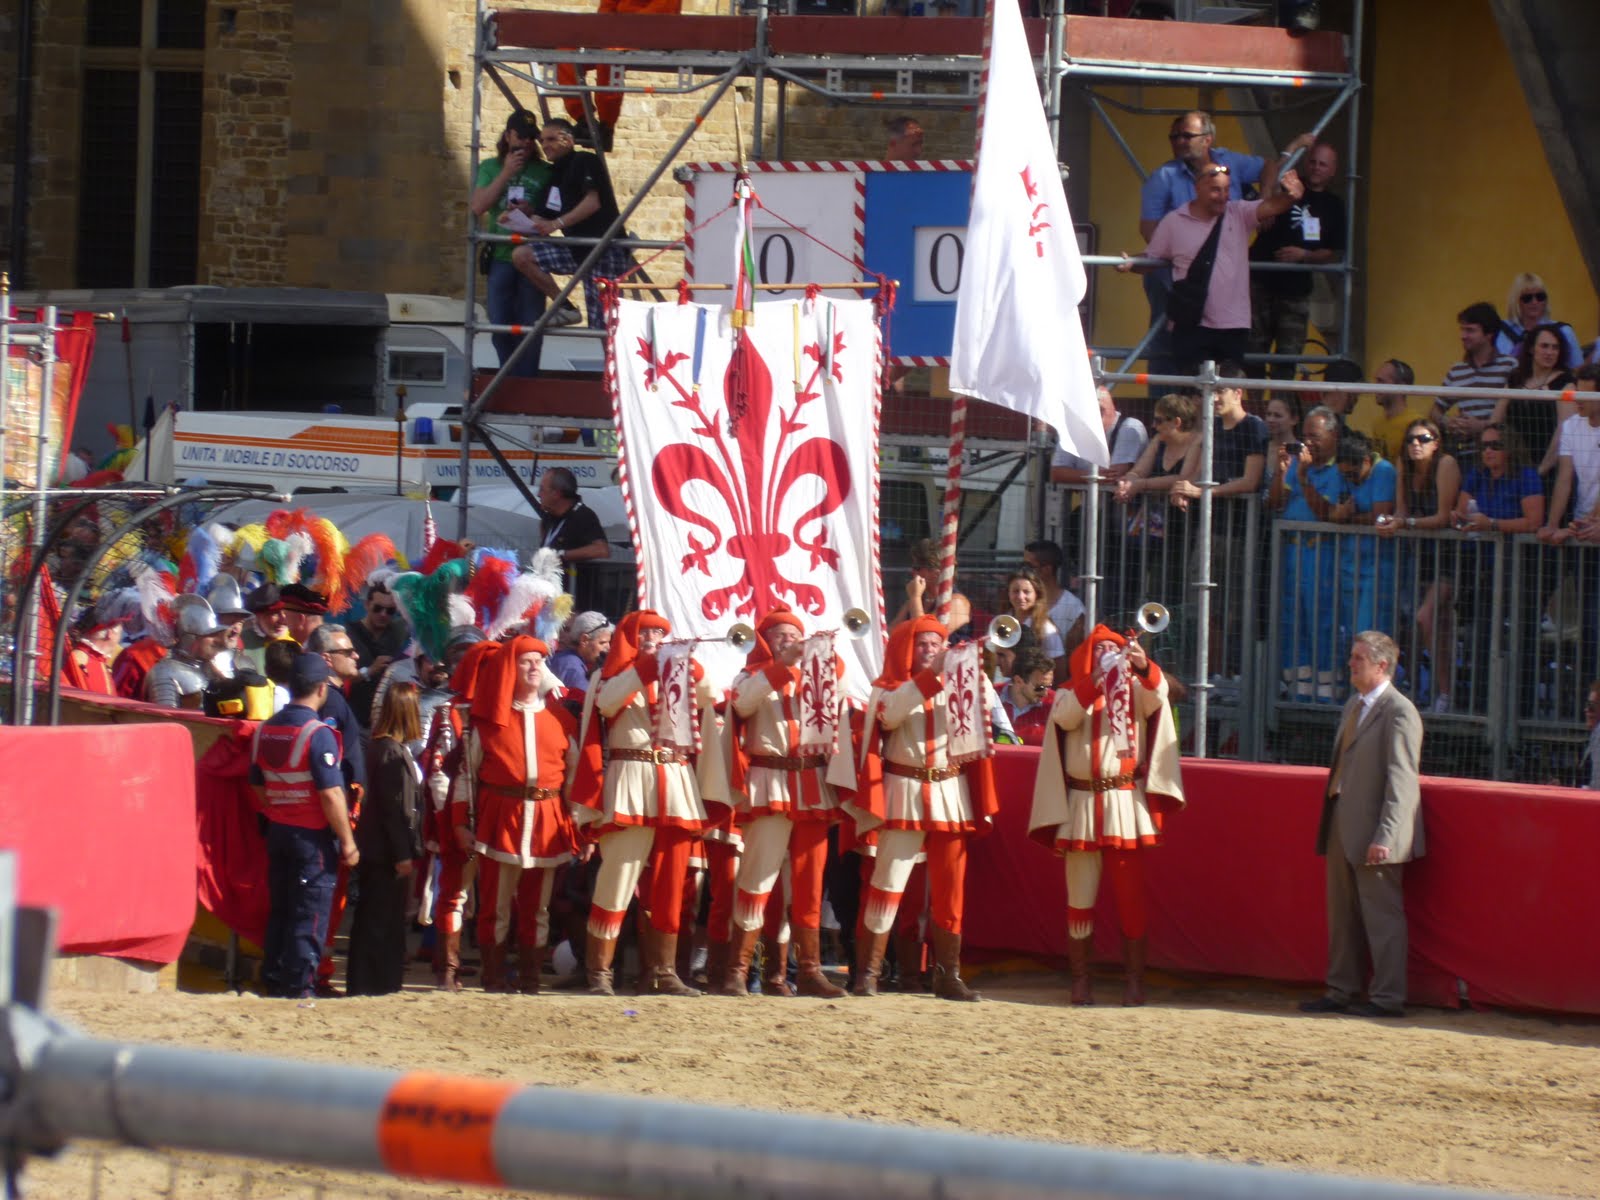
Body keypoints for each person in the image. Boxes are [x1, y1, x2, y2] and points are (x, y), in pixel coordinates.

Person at [847, 616, 999, 1001]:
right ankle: (868, 972)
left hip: (950, 792)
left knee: (951, 890)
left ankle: (948, 975)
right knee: (889, 881)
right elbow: (891, 713)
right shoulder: (885, 689)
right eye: (922, 644)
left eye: (936, 644)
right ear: (905, 648)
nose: (930, 651)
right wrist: (932, 675)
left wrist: (968, 672)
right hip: (905, 791)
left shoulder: (962, 684)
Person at [1029, 624, 1182, 1005]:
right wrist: (1095, 681)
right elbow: (1063, 718)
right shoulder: (1070, 693)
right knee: (1079, 898)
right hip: (1082, 804)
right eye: (1101, 651)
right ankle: (1080, 981)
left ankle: (1135, 982)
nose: (1109, 656)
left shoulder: (1135, 691)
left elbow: (1161, 695)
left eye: (1114, 650)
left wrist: (1144, 665)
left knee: (1131, 898)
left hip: (1123, 803)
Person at [570, 610, 720, 997]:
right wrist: (649, 665)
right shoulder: (611, 677)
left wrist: (691, 667)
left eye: (660, 632)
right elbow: (606, 703)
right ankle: (600, 972)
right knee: (618, 876)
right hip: (631, 777)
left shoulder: (674, 676)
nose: (654, 637)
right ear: (630, 638)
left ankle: (663, 970)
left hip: (674, 779)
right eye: (646, 632)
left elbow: (710, 698)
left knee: (672, 881)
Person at [715, 606, 852, 999]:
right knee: (758, 879)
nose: (788, 641)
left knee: (809, 885)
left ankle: (804, 972)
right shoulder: (751, 675)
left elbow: (842, 698)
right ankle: (738, 971)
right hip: (769, 782)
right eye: (779, 636)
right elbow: (741, 704)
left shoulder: (816, 678)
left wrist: (826, 658)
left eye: (793, 635)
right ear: (766, 641)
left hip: (811, 783)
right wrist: (783, 666)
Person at [1299, 631, 1423, 1019]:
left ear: (1382, 665)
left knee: (1381, 915)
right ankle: (1341, 989)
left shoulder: (1399, 712)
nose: (1350, 664)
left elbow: (1401, 780)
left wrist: (1386, 835)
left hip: (1374, 831)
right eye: (1352, 657)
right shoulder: (1355, 704)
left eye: (1358, 659)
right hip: (1342, 822)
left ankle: (1387, 997)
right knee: (1343, 913)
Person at [461, 636, 579, 994]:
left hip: (547, 819)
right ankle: (493, 976)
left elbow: (574, 777)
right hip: (502, 818)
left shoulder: (561, 719)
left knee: (537, 908)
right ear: (510, 669)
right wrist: (463, 824)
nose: (532, 668)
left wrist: (576, 824)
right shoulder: (488, 721)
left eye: (538, 662)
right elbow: (468, 776)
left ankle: (530, 978)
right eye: (525, 662)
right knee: (495, 907)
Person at [1123, 158, 1306, 373]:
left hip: (1233, 326)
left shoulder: (1239, 213)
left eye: (1227, 190)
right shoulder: (1173, 221)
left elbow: (1274, 205)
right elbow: (1151, 259)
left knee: (1227, 396)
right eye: (1216, 190)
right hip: (1190, 325)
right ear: (1197, 188)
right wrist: (1130, 264)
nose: (1223, 197)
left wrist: (1293, 195)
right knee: (1193, 397)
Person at [250, 653, 359, 1000]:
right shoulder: (318, 733)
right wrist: (348, 842)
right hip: (311, 838)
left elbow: (256, 782)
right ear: (322, 687)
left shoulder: (267, 728)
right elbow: (330, 794)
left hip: (278, 831)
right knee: (309, 914)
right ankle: (300, 987)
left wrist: (278, 806)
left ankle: (274, 977)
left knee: (281, 909)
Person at [510, 119, 632, 331]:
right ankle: (565, 307)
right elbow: (543, 214)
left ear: (568, 140)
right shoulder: (555, 174)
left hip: (603, 251)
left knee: (604, 327)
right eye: (542, 140)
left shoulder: (585, 160)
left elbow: (592, 202)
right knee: (522, 256)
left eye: (551, 139)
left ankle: (613, 364)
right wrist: (521, 216)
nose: (544, 145)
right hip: (576, 249)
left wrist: (555, 223)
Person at [346, 680, 423, 997]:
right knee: (383, 922)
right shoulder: (392, 751)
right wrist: (403, 854)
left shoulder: (377, 747)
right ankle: (377, 984)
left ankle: (365, 982)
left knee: (371, 919)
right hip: (386, 853)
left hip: (375, 849)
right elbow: (397, 810)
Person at [471, 109, 562, 374]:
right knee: (499, 324)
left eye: (530, 138)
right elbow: (478, 206)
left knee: (530, 325)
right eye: (520, 137)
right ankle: (506, 377)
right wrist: (506, 173)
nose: (525, 143)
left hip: (531, 257)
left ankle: (528, 382)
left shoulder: (546, 171)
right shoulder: (490, 167)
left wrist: (530, 209)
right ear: (508, 135)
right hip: (500, 256)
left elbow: (554, 209)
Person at [1270, 405, 1350, 701]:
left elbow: (1326, 513)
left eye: (1314, 436)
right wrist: (1281, 473)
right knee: (1293, 620)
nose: (1308, 443)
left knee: (1324, 619)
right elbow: (1275, 503)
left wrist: (1303, 477)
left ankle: (1329, 690)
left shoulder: (1339, 470)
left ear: (1333, 435)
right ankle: (1299, 688)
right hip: (1292, 554)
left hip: (1323, 554)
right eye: (1304, 436)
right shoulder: (1296, 464)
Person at [1248, 141, 1346, 380]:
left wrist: (1304, 255)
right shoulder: (1287, 185)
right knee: (1251, 356)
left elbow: (1332, 252)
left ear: (1332, 170)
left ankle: (1280, 413)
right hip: (1260, 284)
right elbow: (1269, 170)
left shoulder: (1334, 206)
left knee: (1287, 359)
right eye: (1312, 161)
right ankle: (1251, 412)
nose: (1316, 168)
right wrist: (1266, 202)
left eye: (1323, 164)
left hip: (1295, 292)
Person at [1380, 418, 1459, 711]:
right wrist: (1393, 522)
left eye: (1423, 439)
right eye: (1411, 439)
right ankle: (1424, 690)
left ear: (1436, 443)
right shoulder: (1404, 464)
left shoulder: (1446, 464)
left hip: (1452, 555)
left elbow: (1442, 516)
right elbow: (1401, 509)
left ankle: (1446, 694)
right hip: (1420, 555)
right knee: (1420, 624)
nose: (1416, 444)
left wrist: (1406, 522)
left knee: (1428, 618)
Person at [1537, 366, 1600, 687]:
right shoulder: (1574, 425)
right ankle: (1585, 696)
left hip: (1592, 526)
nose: (1577, 400)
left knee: (1593, 618)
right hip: (1583, 528)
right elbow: (1564, 478)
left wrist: (1595, 522)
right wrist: (1551, 524)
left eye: (1585, 395)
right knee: (1587, 619)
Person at [1430, 302, 1519, 465]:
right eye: (1462, 329)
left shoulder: (1510, 366)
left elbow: (1518, 418)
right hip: (1466, 458)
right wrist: (1448, 423)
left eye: (1470, 330)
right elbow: (1435, 411)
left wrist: (1482, 426)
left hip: (1503, 457)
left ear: (1489, 334)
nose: (1463, 336)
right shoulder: (1457, 371)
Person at [531, 467, 611, 612]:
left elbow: (602, 550)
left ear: (557, 493)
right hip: (549, 597)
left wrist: (562, 555)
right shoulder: (547, 519)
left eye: (543, 489)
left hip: (577, 601)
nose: (538, 494)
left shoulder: (583, 516)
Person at [1505, 324, 1577, 478]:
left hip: (1551, 470)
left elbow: (1564, 432)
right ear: (1531, 349)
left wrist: (1540, 471)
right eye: (1544, 346)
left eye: (1555, 348)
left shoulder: (1566, 382)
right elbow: (1496, 421)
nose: (1550, 352)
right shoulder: (1515, 378)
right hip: (1513, 469)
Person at [1049, 386, 1147, 486]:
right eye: (1087, 411)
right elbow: (1057, 473)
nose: (1094, 417)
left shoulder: (1129, 427)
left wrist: (1080, 475)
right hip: (1088, 499)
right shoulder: (1073, 427)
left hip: (1121, 500)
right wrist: (1094, 476)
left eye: (1100, 410)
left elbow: (1113, 476)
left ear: (1111, 407)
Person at [144, 595, 225, 709]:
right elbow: (165, 719)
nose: (216, 640)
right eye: (210, 635)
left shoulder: (211, 669)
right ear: (191, 638)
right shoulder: (165, 672)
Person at [348, 581, 410, 726]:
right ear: (367, 605)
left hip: (388, 721)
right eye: (378, 608)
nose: (383, 614)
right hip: (357, 719)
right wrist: (369, 671)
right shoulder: (349, 634)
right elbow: (339, 678)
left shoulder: (398, 633)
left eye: (390, 611)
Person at [1022, 540, 1086, 677]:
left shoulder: (1073, 607)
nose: (1022, 571)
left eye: (1028, 566)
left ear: (1046, 569)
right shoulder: (1020, 600)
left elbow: (1073, 656)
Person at [1494, 272, 1585, 368]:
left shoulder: (1563, 331)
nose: (1534, 302)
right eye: (1527, 298)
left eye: (1540, 297)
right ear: (1516, 301)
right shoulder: (1500, 331)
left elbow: (1577, 370)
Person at [548, 610, 613, 695]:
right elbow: (586, 703)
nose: (608, 648)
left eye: (609, 642)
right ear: (584, 640)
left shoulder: (568, 658)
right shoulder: (572, 667)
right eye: (602, 643)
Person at [1000, 649, 1055, 746]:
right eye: (1040, 687)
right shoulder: (989, 697)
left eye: (1049, 686)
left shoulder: (1055, 704)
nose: (1045, 693)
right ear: (1018, 681)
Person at [1367, 359, 1419, 463]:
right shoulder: (1378, 423)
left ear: (1401, 386)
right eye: (1376, 381)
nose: (1375, 386)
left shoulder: (1415, 424)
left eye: (1381, 381)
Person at [279, 584, 328, 649]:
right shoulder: (324, 645)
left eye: (285, 616)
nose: (282, 621)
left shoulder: (318, 652)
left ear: (300, 619)